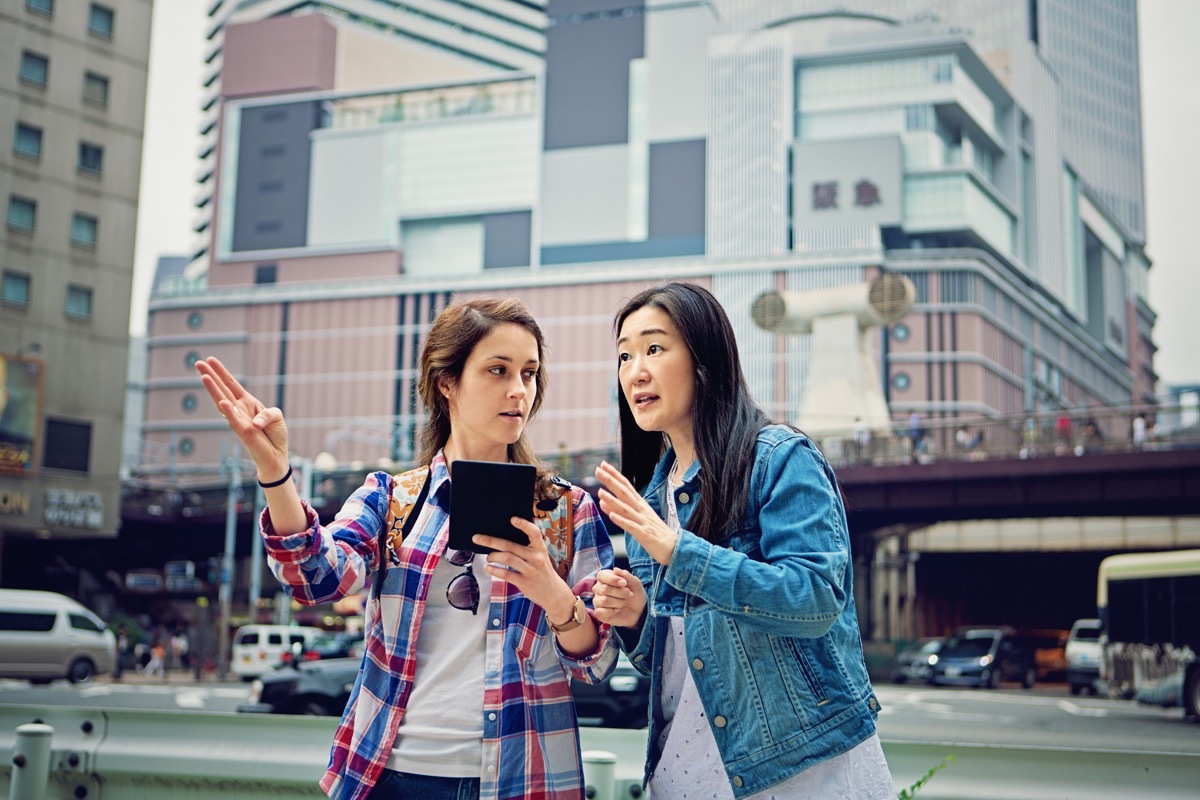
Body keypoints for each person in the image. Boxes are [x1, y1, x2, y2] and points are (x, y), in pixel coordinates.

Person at [196, 298, 618, 800]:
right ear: (447, 382)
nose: (518, 390)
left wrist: (555, 596)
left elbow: (597, 662)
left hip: (522, 778)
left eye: (529, 373)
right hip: (391, 774)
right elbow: (315, 577)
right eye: (497, 370)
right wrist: (275, 471)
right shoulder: (392, 498)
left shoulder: (567, 511)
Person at [590, 283, 893, 799]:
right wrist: (638, 618)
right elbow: (671, 665)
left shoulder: (779, 459)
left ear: (705, 357)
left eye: (654, 348)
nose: (635, 370)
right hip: (683, 776)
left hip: (802, 770)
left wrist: (680, 553)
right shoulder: (650, 501)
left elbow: (815, 598)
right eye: (624, 355)